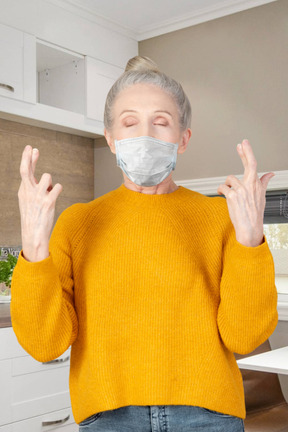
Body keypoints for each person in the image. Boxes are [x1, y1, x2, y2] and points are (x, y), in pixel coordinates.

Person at [11, 56, 278, 432]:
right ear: (110, 138)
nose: (145, 135)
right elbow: (46, 344)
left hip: (208, 416)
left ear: (183, 139)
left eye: (162, 122)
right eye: (130, 122)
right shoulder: (78, 223)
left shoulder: (220, 218)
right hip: (109, 417)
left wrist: (250, 239)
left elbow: (246, 336)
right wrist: (34, 249)